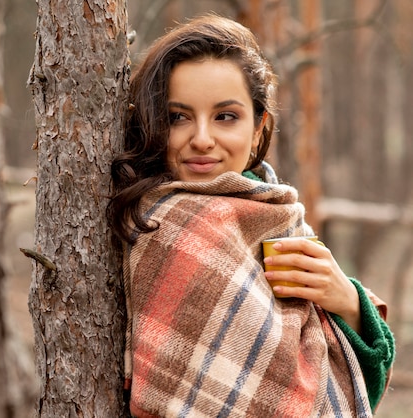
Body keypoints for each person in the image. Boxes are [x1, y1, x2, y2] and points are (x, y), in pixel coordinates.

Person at [108, 14, 395, 417]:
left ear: (259, 127)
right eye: (178, 117)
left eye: (226, 116)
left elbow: (356, 382)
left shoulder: (278, 217)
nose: (202, 139)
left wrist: (348, 303)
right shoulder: (154, 221)